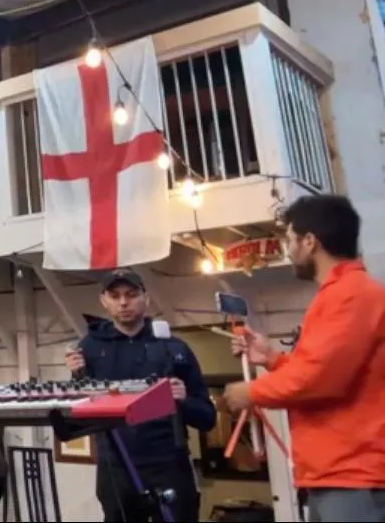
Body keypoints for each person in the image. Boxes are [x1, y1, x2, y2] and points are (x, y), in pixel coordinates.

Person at [222, 194, 385, 522]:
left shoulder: (350, 295)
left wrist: (249, 392)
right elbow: (321, 366)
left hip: (353, 475)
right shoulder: (341, 295)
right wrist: (272, 358)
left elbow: (319, 379)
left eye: (290, 239)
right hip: (337, 473)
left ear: (310, 242)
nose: (288, 249)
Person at [65, 269, 216, 522]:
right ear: (104, 301)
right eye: (115, 296)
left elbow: (207, 418)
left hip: (168, 463)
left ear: (146, 298)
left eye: (131, 294)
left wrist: (183, 401)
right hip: (115, 467)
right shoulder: (88, 349)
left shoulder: (174, 348)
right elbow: (79, 413)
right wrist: (77, 377)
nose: (123, 302)